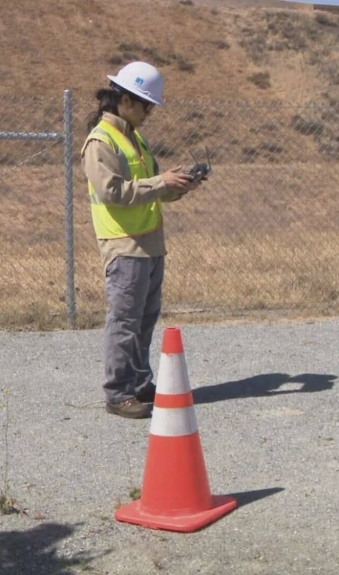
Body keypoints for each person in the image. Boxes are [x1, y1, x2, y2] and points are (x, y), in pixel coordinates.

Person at [80, 61, 200, 419]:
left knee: (144, 319)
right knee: (125, 321)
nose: (149, 111)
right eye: (146, 104)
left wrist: (179, 186)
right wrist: (161, 183)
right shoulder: (100, 141)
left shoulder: (136, 138)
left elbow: (151, 190)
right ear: (126, 100)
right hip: (123, 244)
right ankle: (118, 392)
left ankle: (138, 381)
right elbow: (113, 192)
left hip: (149, 242)